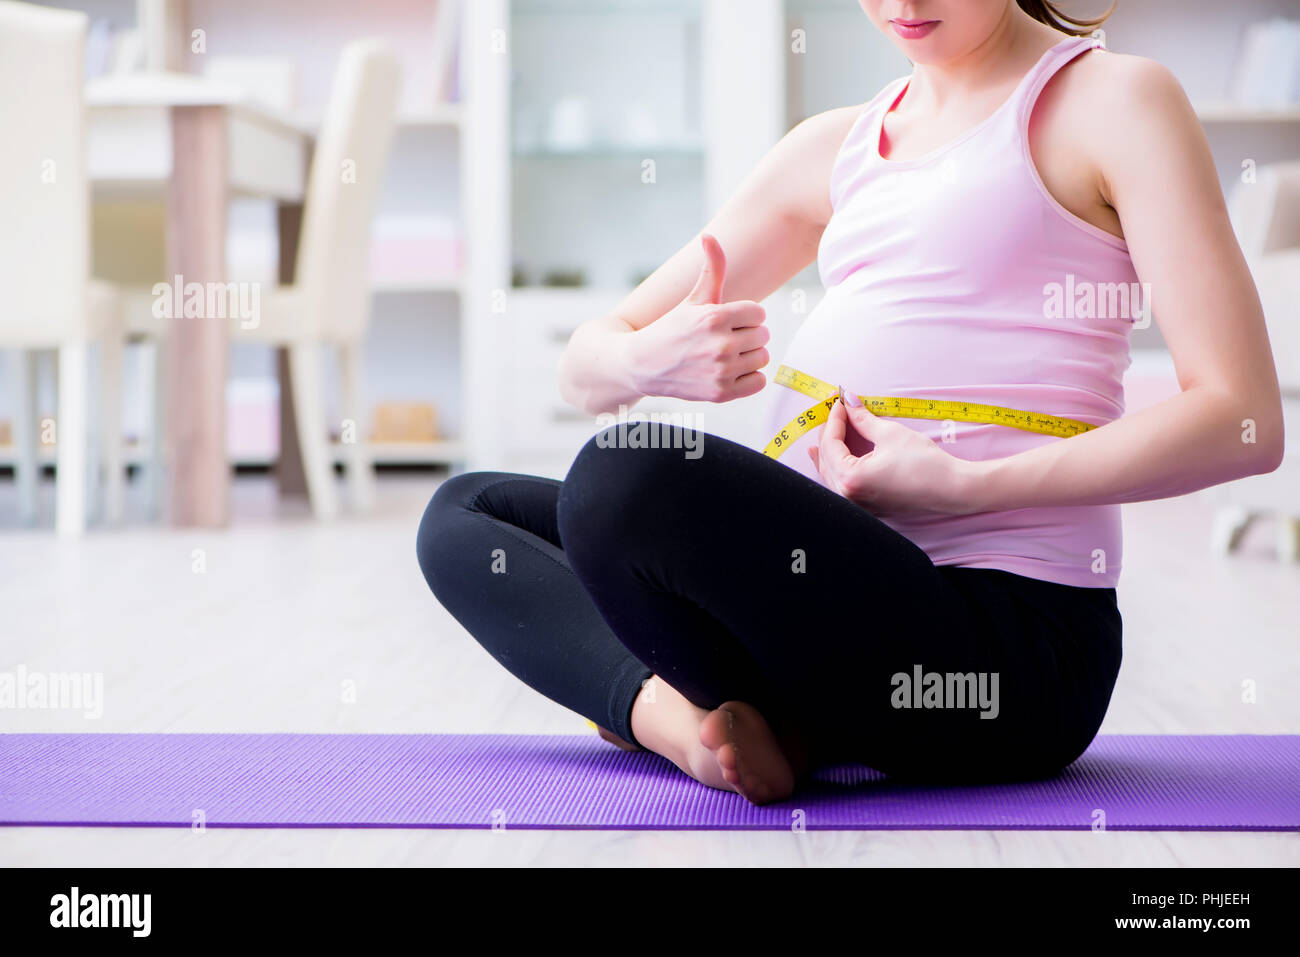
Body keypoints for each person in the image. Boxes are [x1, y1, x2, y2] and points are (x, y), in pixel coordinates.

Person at [417, 0, 1284, 805]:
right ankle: (687, 727)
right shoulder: (833, 147)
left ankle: (709, 714)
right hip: (822, 614)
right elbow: (585, 365)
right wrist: (649, 356)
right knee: (467, 513)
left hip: (1006, 652)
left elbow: (1243, 421)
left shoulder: (1113, 102)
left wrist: (962, 485)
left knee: (625, 478)